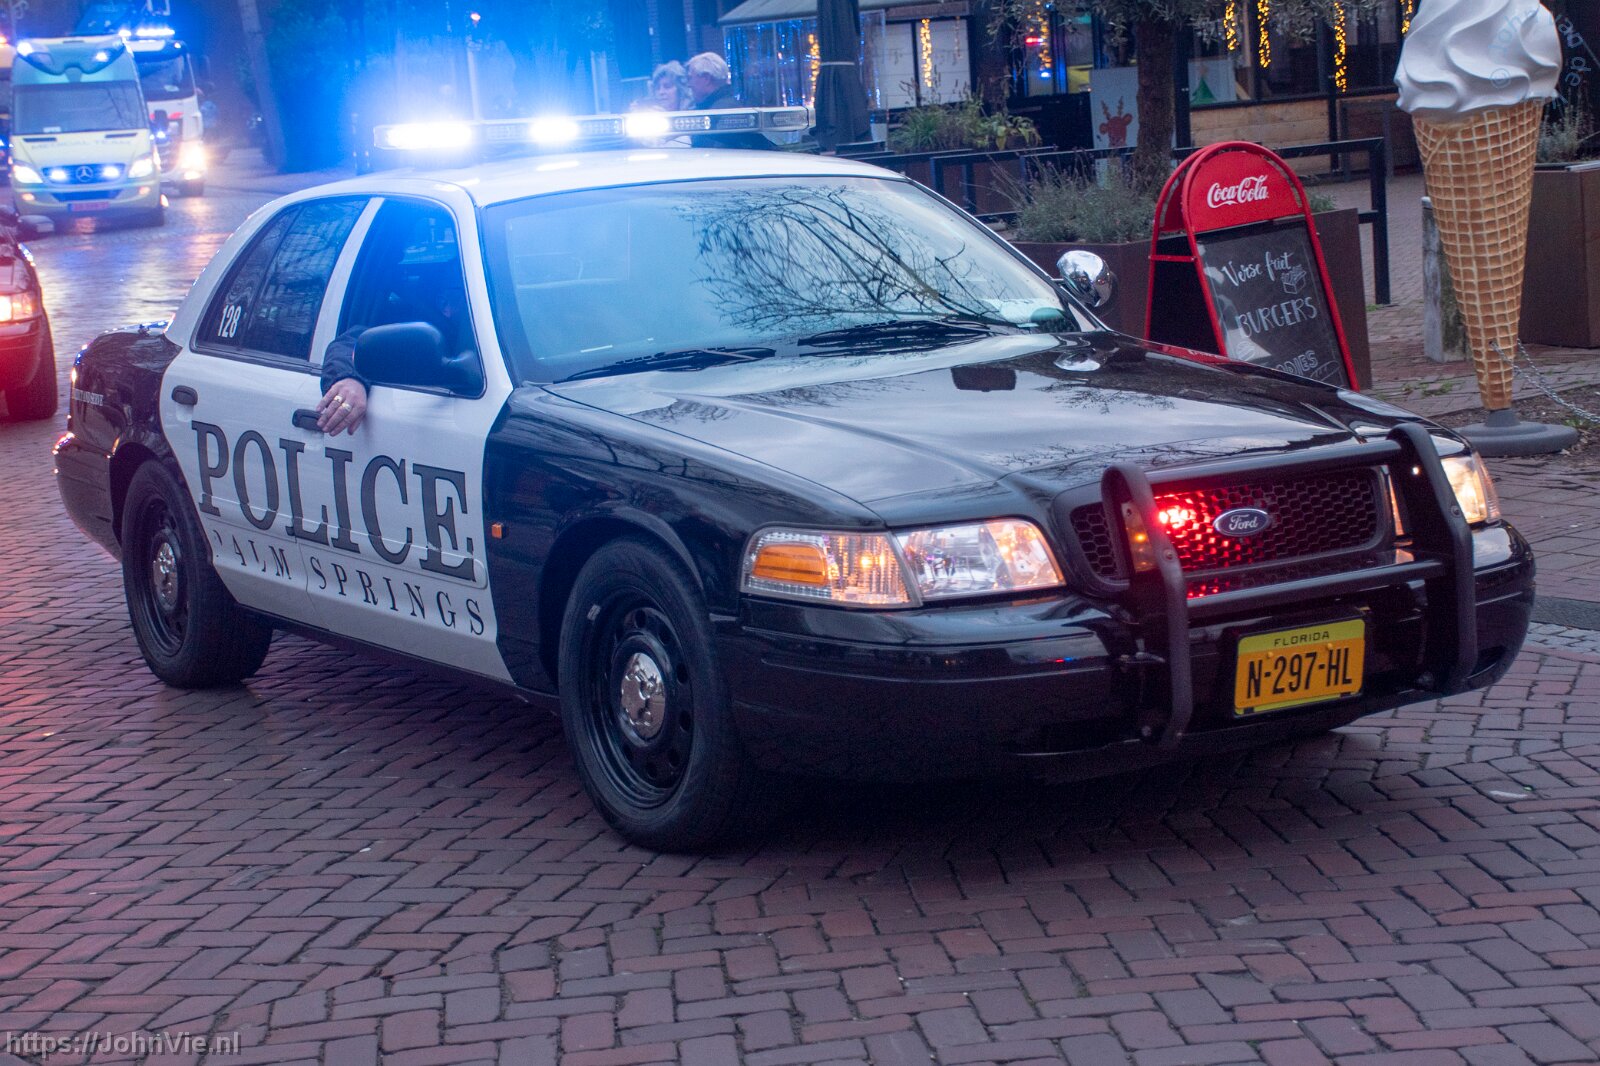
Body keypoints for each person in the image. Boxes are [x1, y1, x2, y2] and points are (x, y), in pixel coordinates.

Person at [684, 52, 771, 150]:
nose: (689, 84)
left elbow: (714, 154)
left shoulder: (721, 112)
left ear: (706, 78)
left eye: (690, 78)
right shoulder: (728, 105)